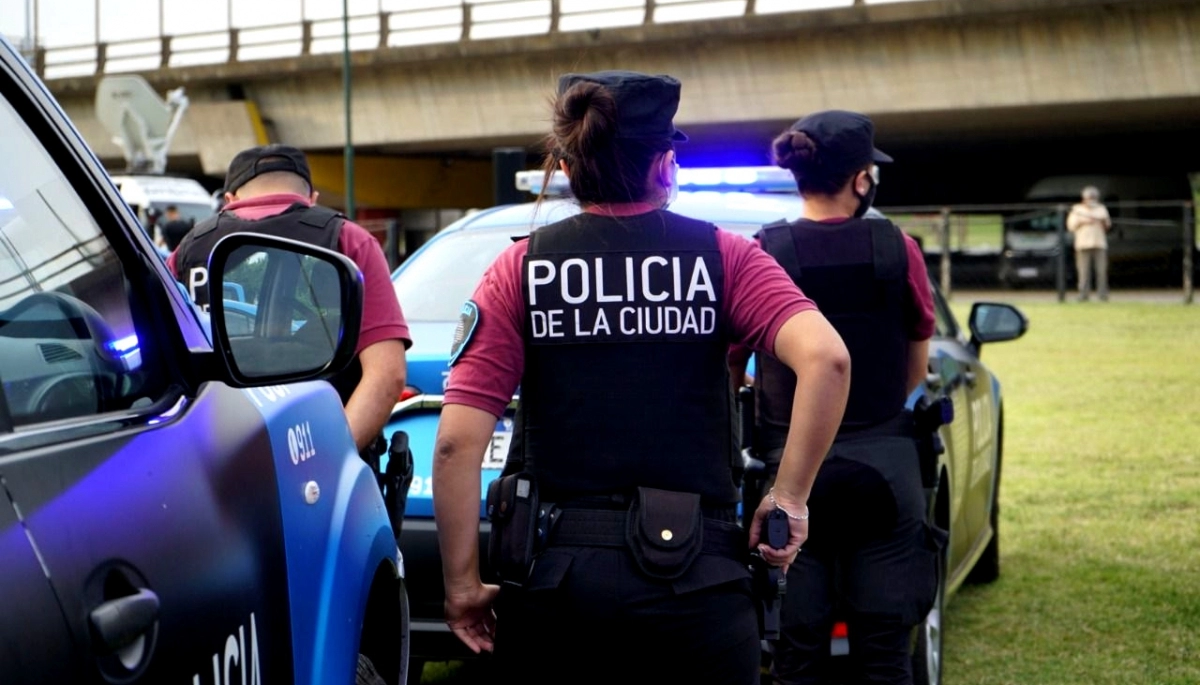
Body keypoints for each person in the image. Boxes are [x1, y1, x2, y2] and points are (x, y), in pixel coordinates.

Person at [430, 70, 851, 685]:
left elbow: (453, 444)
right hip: (700, 591)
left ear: (570, 169)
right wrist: (788, 498)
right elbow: (828, 360)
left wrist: (463, 584)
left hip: (557, 589)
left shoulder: (520, 267)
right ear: (663, 167)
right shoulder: (725, 257)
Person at [733, 110, 944, 685]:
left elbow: (739, 359)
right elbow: (915, 366)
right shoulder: (899, 248)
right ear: (860, 179)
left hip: (792, 470)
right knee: (885, 649)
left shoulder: (763, 250)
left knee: (795, 650)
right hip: (886, 466)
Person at [168, 144, 410, 456]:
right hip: (317, 452)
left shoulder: (187, 250)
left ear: (229, 201)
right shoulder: (349, 239)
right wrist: (331, 461)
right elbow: (388, 375)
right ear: (312, 199)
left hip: (212, 456)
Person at [1067, 185, 1111, 301]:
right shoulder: (1077, 209)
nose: (1091, 200)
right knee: (1083, 272)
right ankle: (1083, 295)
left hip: (1099, 244)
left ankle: (1102, 295)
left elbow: (1107, 226)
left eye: (1093, 197)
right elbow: (1071, 226)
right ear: (1084, 198)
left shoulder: (1101, 208)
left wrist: (1100, 221)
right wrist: (1085, 221)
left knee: (1101, 271)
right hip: (1083, 244)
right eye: (1089, 197)